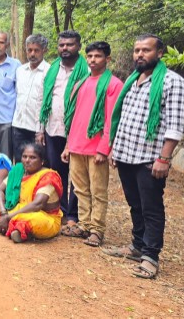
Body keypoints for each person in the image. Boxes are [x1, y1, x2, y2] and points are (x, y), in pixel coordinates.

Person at [104, 34, 184, 280]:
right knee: (135, 204)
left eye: (146, 50)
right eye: (137, 50)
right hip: (127, 154)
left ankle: (150, 257)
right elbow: (123, 118)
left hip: (150, 158)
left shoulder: (172, 82)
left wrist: (164, 159)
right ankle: (137, 245)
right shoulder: (133, 80)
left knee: (151, 207)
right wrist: (115, 148)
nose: (140, 54)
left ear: (159, 53)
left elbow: (175, 125)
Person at [60, 42, 123, 247]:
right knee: (80, 190)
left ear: (107, 59)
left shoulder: (113, 84)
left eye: (98, 56)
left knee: (98, 191)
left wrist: (104, 149)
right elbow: (74, 117)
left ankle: (97, 230)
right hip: (77, 145)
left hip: (97, 148)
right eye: (90, 56)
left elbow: (112, 119)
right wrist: (68, 145)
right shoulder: (81, 83)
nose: (93, 60)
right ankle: (84, 224)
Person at [38, 30, 85, 236]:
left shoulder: (86, 70)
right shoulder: (53, 69)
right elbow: (44, 99)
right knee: (57, 171)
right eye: (62, 45)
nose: (65, 48)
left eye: (70, 45)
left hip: (76, 132)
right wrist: (41, 129)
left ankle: (73, 214)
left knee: (77, 174)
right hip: (52, 128)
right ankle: (60, 209)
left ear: (78, 47)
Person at [0, 143, 63, 242]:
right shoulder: (18, 171)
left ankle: (12, 227)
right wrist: (3, 212)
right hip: (18, 210)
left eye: (32, 157)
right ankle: (14, 228)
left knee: (35, 220)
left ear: (42, 161)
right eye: (24, 156)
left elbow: (37, 204)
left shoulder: (48, 176)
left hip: (42, 215)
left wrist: (8, 217)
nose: (27, 160)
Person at [12, 34, 50, 162]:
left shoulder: (49, 71)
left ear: (44, 50)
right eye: (30, 50)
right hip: (18, 126)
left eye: (36, 50)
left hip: (37, 129)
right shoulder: (20, 70)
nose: (32, 54)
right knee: (19, 162)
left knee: (36, 163)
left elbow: (47, 103)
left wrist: (41, 130)